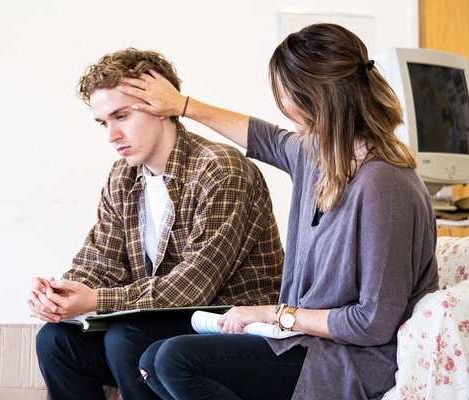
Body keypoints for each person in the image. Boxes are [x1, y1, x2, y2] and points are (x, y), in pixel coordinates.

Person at [116, 24, 440, 399]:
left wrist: (273, 313)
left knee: (174, 359)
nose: (281, 105)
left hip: (349, 359)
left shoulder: (384, 184)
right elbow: (263, 138)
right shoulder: (320, 156)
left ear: (312, 98)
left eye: (283, 93)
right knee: (152, 359)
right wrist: (182, 105)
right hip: (303, 342)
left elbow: (373, 323)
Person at [27, 47, 284, 400]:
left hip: (231, 330)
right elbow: (100, 261)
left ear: (161, 107)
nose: (111, 135)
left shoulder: (220, 169)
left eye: (121, 116)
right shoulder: (123, 176)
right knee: (57, 340)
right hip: (160, 326)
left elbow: (192, 289)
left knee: (126, 336)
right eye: (104, 122)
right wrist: (58, 295)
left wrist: (96, 300)